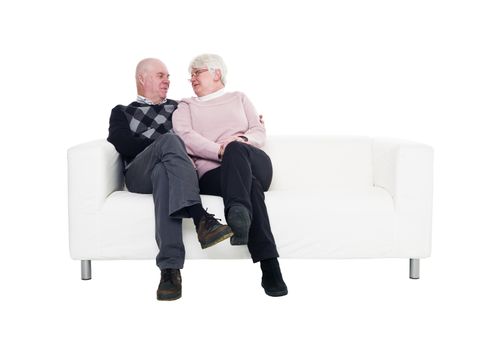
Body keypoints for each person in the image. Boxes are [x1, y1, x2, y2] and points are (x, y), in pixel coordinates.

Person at [107, 58, 233, 301]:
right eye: (161, 76)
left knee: (165, 173)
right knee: (171, 141)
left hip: (172, 174)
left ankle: (170, 270)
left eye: (168, 77)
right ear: (142, 78)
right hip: (138, 175)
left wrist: (246, 127)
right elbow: (123, 144)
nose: (168, 81)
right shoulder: (122, 111)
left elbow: (206, 131)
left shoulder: (180, 107)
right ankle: (199, 217)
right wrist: (161, 145)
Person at [173, 54, 288, 297]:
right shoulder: (186, 106)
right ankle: (270, 266)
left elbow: (258, 130)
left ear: (216, 74)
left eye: (198, 72)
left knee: (237, 150)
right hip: (214, 175)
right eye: (190, 74)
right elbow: (184, 136)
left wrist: (239, 141)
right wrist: (218, 150)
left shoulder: (239, 98)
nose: (192, 78)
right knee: (251, 187)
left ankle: (237, 212)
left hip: (252, 161)